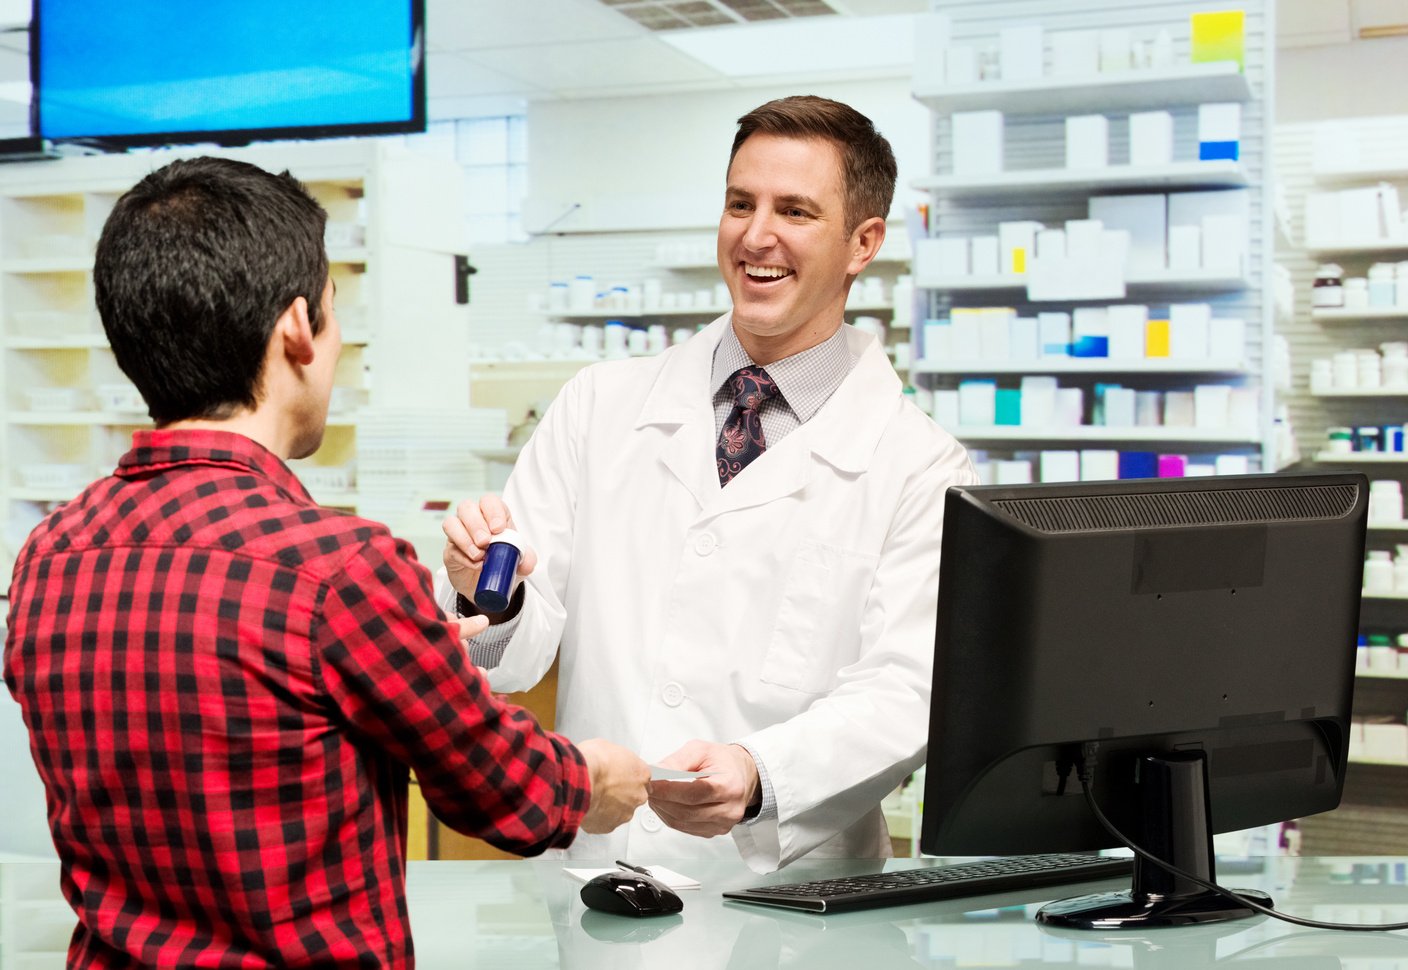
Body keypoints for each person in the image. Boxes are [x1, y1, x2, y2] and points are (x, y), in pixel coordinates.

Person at [2, 156, 650, 968]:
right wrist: (595, 779)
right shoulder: (339, 571)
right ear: (297, 329)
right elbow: (499, 788)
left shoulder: (52, 556)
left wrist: (407, 659)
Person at [440, 95, 977, 872]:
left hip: (793, 902)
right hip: (604, 880)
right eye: (739, 204)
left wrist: (761, 776)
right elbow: (508, 653)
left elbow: (905, 692)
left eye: (795, 210)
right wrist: (485, 592)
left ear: (863, 243)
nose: (757, 237)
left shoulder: (920, 464)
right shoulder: (601, 404)